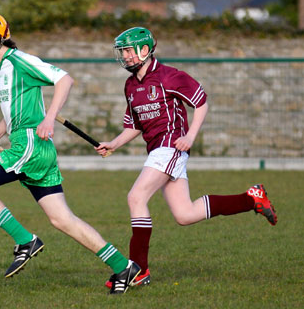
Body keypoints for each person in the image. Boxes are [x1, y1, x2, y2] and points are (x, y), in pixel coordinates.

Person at [0, 13, 140, 294]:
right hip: (31, 146)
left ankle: (25, 241)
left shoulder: (20, 60)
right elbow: (14, 112)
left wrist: (49, 117)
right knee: (62, 219)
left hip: (29, 146)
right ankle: (123, 266)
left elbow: (65, 80)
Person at [95, 27, 278, 289]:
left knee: (136, 197)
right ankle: (251, 198)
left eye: (127, 51)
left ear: (144, 50)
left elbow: (201, 102)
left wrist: (190, 136)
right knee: (185, 214)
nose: (124, 56)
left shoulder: (170, 76)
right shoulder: (131, 85)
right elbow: (135, 125)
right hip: (157, 149)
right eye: (121, 51)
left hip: (170, 146)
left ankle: (138, 269)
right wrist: (113, 143)